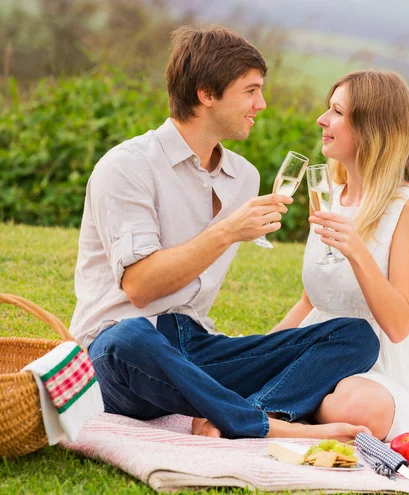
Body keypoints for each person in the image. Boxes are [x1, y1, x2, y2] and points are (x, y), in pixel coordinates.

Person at [69, 25, 380, 440]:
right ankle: (268, 426)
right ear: (206, 93)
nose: (262, 104)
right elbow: (140, 286)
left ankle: (239, 414)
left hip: (195, 348)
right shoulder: (126, 166)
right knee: (129, 335)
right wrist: (228, 231)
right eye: (250, 91)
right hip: (119, 356)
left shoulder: (242, 177)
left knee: (355, 336)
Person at [271, 70, 409, 441]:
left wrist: (358, 253)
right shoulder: (327, 191)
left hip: (374, 362)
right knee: (236, 361)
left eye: (337, 112)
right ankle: (300, 409)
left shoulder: (408, 206)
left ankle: (293, 410)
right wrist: (264, 347)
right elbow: (310, 300)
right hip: (315, 348)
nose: (322, 120)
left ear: (371, 127)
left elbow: (397, 324)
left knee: (363, 408)